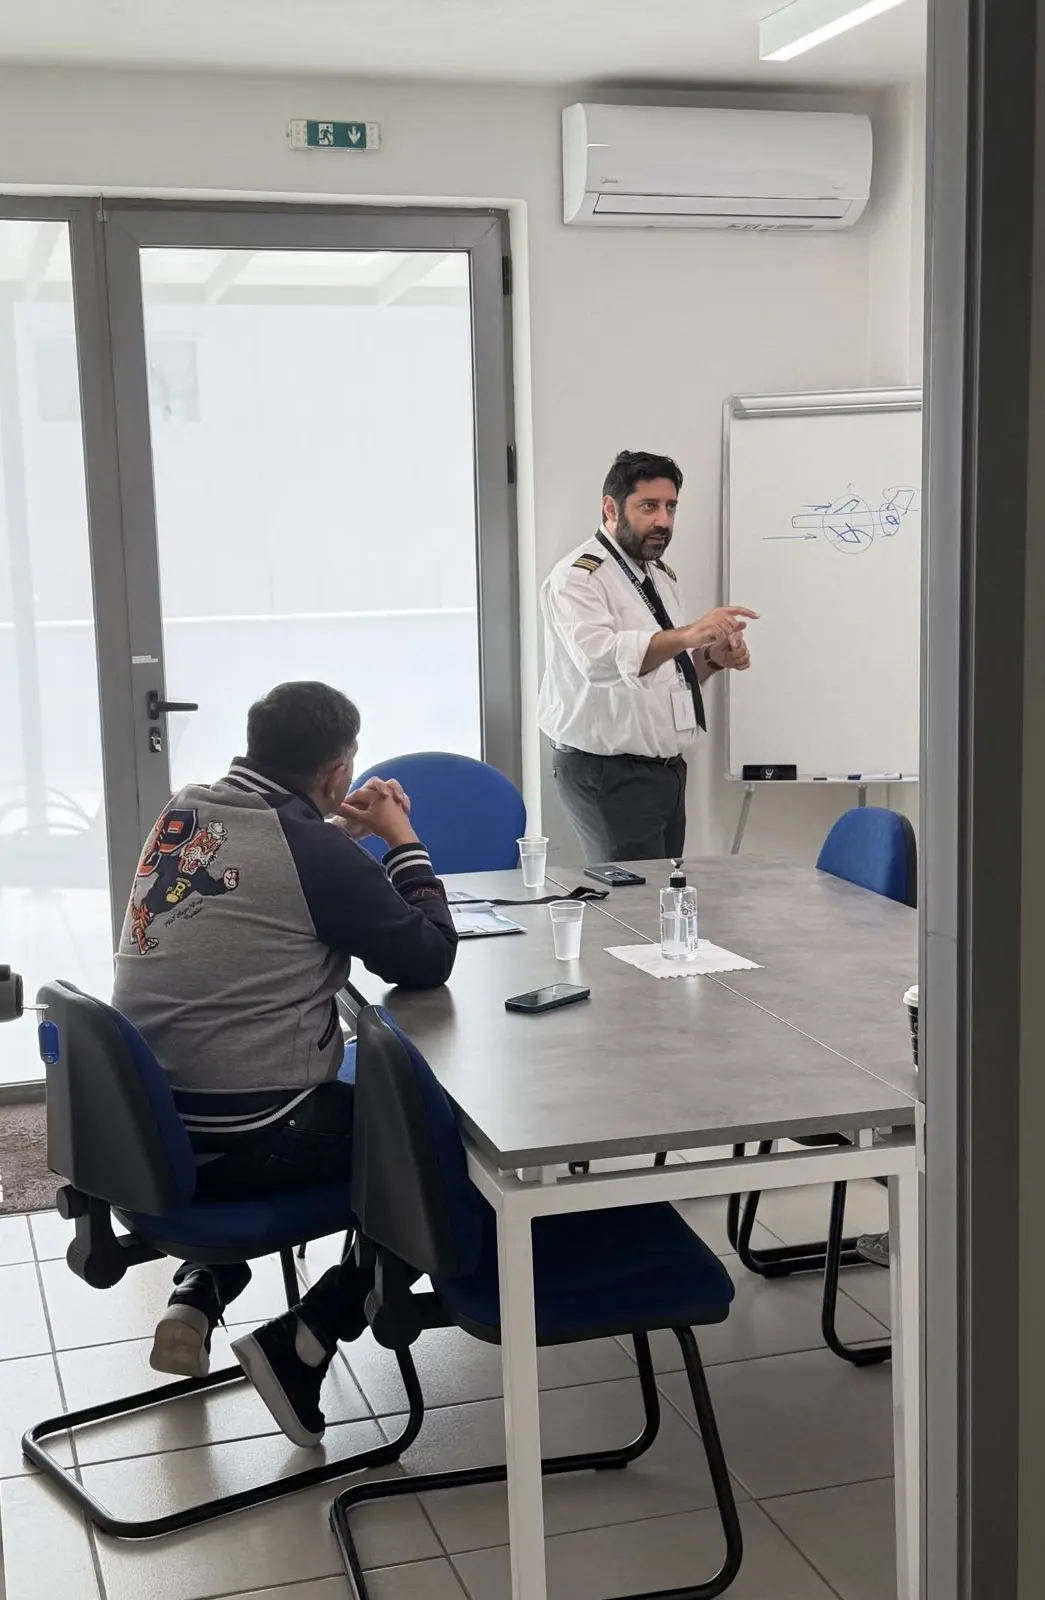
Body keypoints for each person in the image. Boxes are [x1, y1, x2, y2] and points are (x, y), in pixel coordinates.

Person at [111, 680, 457, 1447]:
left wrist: (339, 849)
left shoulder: (188, 808)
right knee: (434, 1129)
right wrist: (401, 844)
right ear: (337, 772)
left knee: (367, 1080)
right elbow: (428, 957)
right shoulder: (315, 852)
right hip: (251, 1138)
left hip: (148, 1128)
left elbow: (268, 890)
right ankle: (307, 1335)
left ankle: (205, 1282)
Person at [537, 449, 757, 863]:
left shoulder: (658, 576)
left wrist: (711, 658)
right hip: (610, 773)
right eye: (649, 506)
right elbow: (599, 661)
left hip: (664, 774)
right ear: (611, 508)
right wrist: (690, 632)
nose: (664, 521)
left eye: (671, 507)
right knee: (632, 909)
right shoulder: (578, 578)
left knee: (664, 900)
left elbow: (666, 673)